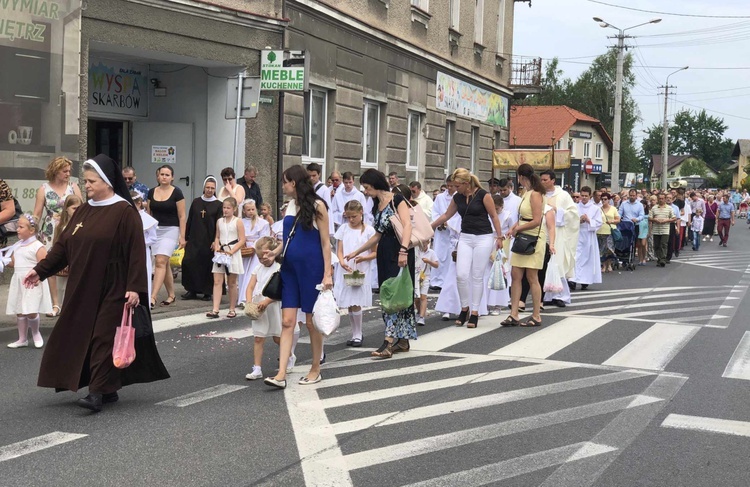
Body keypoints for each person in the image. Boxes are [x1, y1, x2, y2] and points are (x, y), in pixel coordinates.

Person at [25, 154, 169, 412]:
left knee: (104, 336)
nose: (87, 185)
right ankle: (108, 387)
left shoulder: (124, 212)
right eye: (86, 181)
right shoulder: (84, 210)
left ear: (107, 182)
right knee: (84, 335)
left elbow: (136, 253)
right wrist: (40, 270)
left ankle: (96, 393)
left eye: (92, 181)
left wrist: (135, 287)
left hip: (115, 285)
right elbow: (63, 247)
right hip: (83, 285)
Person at [263, 165, 332, 388]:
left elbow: (325, 243)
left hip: (311, 269)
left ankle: (315, 368)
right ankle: (281, 373)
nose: (283, 185)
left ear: (294, 182)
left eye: (285, 181)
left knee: (312, 322)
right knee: (287, 321)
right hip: (290, 270)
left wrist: (327, 273)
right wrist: (274, 252)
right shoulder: (290, 206)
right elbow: (289, 238)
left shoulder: (318, 206)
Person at [345, 168, 415, 358]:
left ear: (376, 184)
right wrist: (357, 251)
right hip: (384, 252)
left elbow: (407, 225)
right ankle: (402, 340)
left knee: (394, 294)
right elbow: (378, 234)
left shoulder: (396, 199)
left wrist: (403, 250)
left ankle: (388, 342)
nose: (365, 192)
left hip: (399, 250)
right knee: (389, 292)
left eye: (367, 188)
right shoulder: (377, 204)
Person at [431, 168, 503, 328]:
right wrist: (430, 227)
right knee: (461, 274)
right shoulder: (457, 198)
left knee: (477, 275)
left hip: (483, 237)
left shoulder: (484, 195)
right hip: (466, 237)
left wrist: (499, 237)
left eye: (457, 186)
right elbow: (446, 215)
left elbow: (494, 216)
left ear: (466, 184)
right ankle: (465, 308)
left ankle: (475, 312)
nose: (455, 189)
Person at [33, 156, 83, 318]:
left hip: (70, 229)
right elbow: (37, 214)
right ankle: (55, 303)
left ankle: (71, 301)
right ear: (56, 171)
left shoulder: (73, 187)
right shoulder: (44, 189)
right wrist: (30, 231)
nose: (68, 174)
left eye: (69, 171)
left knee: (73, 264)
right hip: (49, 231)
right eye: (65, 171)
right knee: (51, 266)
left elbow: (82, 211)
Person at [5, 214, 53, 348]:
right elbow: (14, 263)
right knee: (20, 310)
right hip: (19, 281)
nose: (17, 230)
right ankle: (22, 338)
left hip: (31, 283)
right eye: (17, 227)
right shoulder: (17, 246)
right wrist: (4, 260)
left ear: (31, 230)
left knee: (31, 310)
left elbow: (43, 265)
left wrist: (39, 277)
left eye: (21, 227)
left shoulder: (37, 246)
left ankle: (36, 333)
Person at [334, 200, 376, 347]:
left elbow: (375, 252)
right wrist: (341, 261)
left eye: (354, 217)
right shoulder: (344, 229)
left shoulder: (369, 231)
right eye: (348, 217)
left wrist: (363, 257)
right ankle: (354, 333)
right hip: (346, 267)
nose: (351, 220)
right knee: (349, 303)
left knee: (356, 301)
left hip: (360, 268)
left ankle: (358, 334)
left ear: (361, 214)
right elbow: (339, 249)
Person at [147, 165, 186, 309]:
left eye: (167, 174)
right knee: (165, 264)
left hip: (171, 229)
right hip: (156, 230)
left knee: (160, 261)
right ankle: (171, 295)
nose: (164, 177)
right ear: (158, 176)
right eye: (162, 174)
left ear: (172, 177)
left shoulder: (177, 192)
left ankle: (153, 296)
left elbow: (182, 216)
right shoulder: (151, 192)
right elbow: (149, 214)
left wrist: (182, 236)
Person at [244, 237, 281, 380]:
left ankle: (289, 356)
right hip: (259, 306)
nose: (263, 260)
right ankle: (257, 368)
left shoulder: (278, 268)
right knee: (259, 337)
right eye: (259, 257)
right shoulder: (257, 268)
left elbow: (280, 291)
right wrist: (249, 301)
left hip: (273, 304)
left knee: (278, 338)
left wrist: (267, 301)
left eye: (265, 256)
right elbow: (250, 287)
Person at [539, 170, 578, 305]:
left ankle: (561, 296)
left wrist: (558, 210)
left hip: (559, 233)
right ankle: (547, 296)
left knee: (557, 264)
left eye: (545, 180)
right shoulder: (539, 194)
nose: (542, 182)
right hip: (542, 232)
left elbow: (573, 214)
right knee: (544, 265)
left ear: (553, 180)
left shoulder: (563, 195)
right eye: (541, 180)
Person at [181, 176, 223, 301]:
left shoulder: (218, 204)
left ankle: (207, 292)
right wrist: (185, 237)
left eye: (212, 188)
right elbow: (190, 220)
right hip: (194, 237)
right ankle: (191, 290)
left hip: (209, 238)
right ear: (203, 188)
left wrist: (216, 240)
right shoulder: (196, 202)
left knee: (207, 265)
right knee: (190, 262)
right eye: (207, 187)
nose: (209, 190)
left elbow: (219, 223)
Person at [208, 197, 245, 318]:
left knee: (232, 282)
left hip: (232, 252)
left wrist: (232, 251)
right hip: (221, 253)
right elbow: (217, 236)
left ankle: (232, 308)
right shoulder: (219, 221)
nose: (226, 210)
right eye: (224, 207)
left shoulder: (238, 221)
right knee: (217, 281)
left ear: (234, 209)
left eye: (228, 208)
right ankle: (215, 309)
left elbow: (242, 239)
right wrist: (217, 246)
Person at [238, 199, 269, 307]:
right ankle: (242, 297)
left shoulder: (262, 223)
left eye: (252, 209)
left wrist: (254, 246)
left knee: (252, 274)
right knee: (243, 274)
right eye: (248, 210)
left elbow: (264, 237)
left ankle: (250, 297)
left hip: (255, 251)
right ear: (244, 211)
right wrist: (242, 244)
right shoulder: (240, 222)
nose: (251, 212)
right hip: (244, 250)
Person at [51, 195, 82, 302]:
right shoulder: (60, 226)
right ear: (66, 209)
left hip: (77, 260)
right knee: (61, 287)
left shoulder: (83, 224)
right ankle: (60, 306)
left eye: (79, 208)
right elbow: (57, 244)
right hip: (64, 261)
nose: (76, 211)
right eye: (74, 208)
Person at [571, 186, 603, 291]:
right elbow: (570, 221)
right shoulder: (575, 207)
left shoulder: (595, 208)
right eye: (582, 195)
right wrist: (579, 221)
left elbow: (599, 223)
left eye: (586, 196)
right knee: (575, 257)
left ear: (590, 196)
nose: (583, 198)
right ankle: (573, 279)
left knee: (587, 258)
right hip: (577, 234)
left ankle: (585, 280)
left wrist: (589, 220)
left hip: (589, 235)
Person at [430, 176, 458, 292]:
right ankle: (436, 280)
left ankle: (448, 281)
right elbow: (435, 211)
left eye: (452, 186)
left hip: (453, 231)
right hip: (441, 233)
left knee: (450, 255)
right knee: (439, 255)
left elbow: (458, 215)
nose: (449, 188)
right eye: (448, 186)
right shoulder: (440, 198)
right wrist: (439, 222)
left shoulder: (458, 197)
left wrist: (449, 223)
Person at [131, 191, 158, 299]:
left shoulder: (147, 219)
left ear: (138, 203)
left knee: (143, 274)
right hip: (130, 251)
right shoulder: (129, 217)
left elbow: (153, 238)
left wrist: (140, 242)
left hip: (143, 251)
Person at [414, 240, 439, 326]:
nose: (423, 245)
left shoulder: (431, 252)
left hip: (425, 276)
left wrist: (429, 261)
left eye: (424, 243)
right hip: (416, 276)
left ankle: (421, 317)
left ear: (428, 242)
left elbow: (436, 265)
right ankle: (419, 311)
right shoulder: (416, 251)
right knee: (416, 298)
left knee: (423, 296)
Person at [306, 163, 334, 237]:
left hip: (320, 221)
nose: (311, 178)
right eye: (309, 176)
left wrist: (329, 229)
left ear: (319, 175)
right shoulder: (307, 188)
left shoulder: (324, 189)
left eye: (314, 175)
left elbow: (328, 208)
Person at [649, 193, 676, 267]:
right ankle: (659, 258)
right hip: (656, 229)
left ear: (664, 199)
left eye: (662, 198)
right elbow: (650, 217)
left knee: (663, 244)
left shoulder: (669, 208)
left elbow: (674, 218)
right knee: (656, 245)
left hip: (665, 229)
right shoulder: (654, 208)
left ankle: (663, 259)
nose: (661, 200)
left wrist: (666, 220)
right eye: (660, 198)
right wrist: (655, 220)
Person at [597, 193, 620, 273]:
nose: (603, 201)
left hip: (610, 230)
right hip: (600, 231)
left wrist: (612, 221)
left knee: (609, 248)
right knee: (602, 249)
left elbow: (618, 220)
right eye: (602, 199)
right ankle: (603, 265)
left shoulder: (613, 209)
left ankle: (609, 264)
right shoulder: (598, 209)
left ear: (609, 200)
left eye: (605, 199)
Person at [637, 200, 650, 266]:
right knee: (639, 245)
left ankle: (644, 257)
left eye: (644, 205)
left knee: (643, 244)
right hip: (638, 229)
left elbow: (650, 223)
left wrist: (649, 231)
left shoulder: (648, 213)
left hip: (645, 230)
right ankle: (640, 259)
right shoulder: (638, 212)